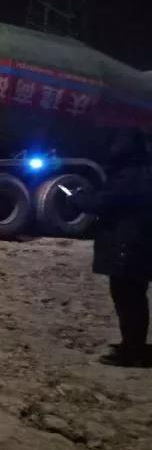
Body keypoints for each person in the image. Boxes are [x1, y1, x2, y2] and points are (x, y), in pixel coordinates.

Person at [70, 129, 152, 367]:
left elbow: (107, 201)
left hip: (130, 247)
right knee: (131, 298)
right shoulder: (140, 171)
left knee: (129, 299)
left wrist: (78, 199)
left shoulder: (133, 175)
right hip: (134, 245)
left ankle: (133, 350)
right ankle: (132, 344)